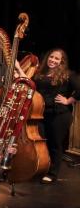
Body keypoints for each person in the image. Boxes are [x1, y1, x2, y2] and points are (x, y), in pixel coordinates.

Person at [34, 49, 80, 183]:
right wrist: (19, 69)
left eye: (56, 58)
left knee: (55, 144)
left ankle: (53, 173)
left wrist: (68, 100)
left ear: (62, 62)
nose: (53, 60)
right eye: (51, 57)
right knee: (43, 143)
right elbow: (29, 84)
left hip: (59, 114)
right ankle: (43, 168)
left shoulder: (68, 75)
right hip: (41, 114)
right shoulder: (41, 74)